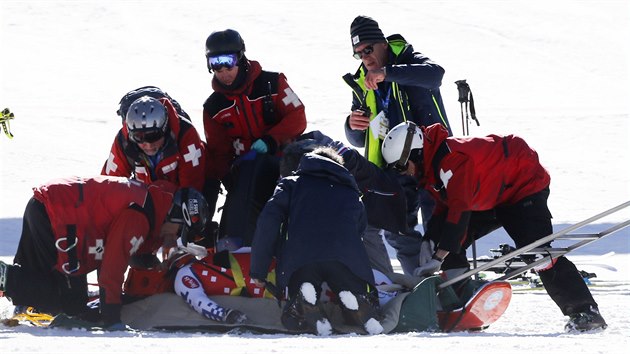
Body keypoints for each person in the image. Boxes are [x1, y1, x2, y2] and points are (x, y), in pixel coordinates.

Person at [379, 121, 607, 332]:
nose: (404, 173)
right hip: (489, 194)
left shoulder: (452, 159)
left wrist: (439, 255)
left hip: (522, 185)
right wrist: (430, 240)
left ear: (415, 153)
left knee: (537, 253)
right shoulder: (433, 167)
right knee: (444, 239)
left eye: (401, 166)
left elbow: (460, 208)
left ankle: (585, 312)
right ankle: (459, 300)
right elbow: (445, 207)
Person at [0, 176, 210, 330]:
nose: (176, 239)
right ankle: (6, 279)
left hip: (47, 205)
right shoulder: (139, 216)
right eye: (182, 231)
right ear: (175, 217)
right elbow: (112, 267)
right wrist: (112, 318)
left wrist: (149, 263)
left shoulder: (151, 203)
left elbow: (129, 249)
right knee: (69, 303)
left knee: (43, 282)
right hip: (57, 213)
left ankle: (14, 287)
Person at [344, 15, 452, 275]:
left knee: (439, 224)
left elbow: (435, 75)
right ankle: (421, 288)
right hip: (395, 167)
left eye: (368, 49)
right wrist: (351, 124)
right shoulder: (361, 82)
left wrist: (388, 73)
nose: (365, 58)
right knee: (397, 231)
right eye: (358, 54)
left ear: (382, 43)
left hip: (432, 158)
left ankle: (453, 285)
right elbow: (359, 140)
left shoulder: (408, 58)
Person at [250, 144, 383, 335]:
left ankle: (304, 301)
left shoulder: (291, 184)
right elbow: (359, 230)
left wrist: (258, 270)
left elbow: (268, 222)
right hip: (345, 256)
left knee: (297, 300)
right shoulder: (351, 191)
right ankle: (354, 297)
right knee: (347, 280)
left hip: (301, 256)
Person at [202, 29, 307, 249]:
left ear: (240, 57)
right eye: (215, 63)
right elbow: (218, 151)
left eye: (228, 61)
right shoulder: (214, 107)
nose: (223, 70)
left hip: (283, 161)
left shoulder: (271, 84)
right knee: (244, 190)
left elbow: (298, 117)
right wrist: (226, 177)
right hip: (246, 171)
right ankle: (235, 251)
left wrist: (272, 139)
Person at [102, 93, 210, 244]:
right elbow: (110, 186)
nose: (148, 145)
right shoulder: (123, 142)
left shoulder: (185, 134)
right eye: (139, 138)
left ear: (164, 129)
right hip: (148, 197)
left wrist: (175, 226)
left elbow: (192, 186)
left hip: (181, 194)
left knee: (193, 215)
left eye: (153, 136)